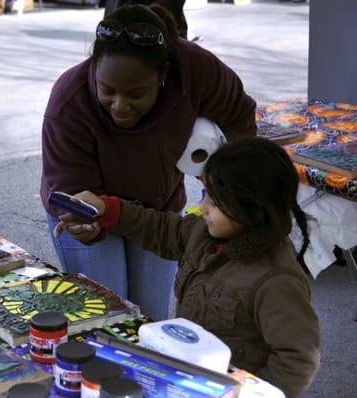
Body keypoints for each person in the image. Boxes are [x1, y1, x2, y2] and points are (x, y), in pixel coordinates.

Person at [54, 137, 321, 398]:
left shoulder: (276, 280)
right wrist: (107, 209)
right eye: (206, 196)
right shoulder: (204, 232)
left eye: (214, 203)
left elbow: (297, 359)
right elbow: (160, 228)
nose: (202, 207)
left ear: (252, 211)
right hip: (185, 376)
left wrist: (249, 391)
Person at [40, 4, 256, 321]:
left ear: (163, 76)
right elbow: (73, 191)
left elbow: (239, 117)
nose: (120, 105)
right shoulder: (68, 101)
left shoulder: (194, 68)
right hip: (94, 209)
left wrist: (227, 190)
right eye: (108, 91)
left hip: (158, 209)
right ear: (95, 70)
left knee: (149, 321)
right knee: (109, 321)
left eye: (136, 94)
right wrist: (84, 225)